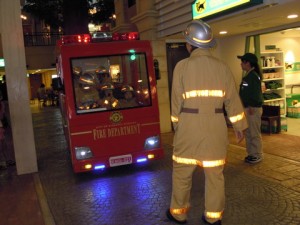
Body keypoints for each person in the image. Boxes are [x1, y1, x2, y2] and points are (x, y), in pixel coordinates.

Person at [167, 20, 248, 225]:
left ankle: (178, 213)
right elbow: (232, 100)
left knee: (182, 174)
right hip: (215, 127)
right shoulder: (222, 67)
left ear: (189, 44)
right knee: (215, 176)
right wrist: (239, 127)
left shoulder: (181, 67)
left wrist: (178, 125)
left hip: (188, 127)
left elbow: (176, 102)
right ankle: (213, 218)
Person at [237, 53, 264, 164]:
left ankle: (257, 154)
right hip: (248, 108)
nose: (241, 64)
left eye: (242, 61)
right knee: (248, 132)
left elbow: (256, 94)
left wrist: (252, 105)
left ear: (247, 63)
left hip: (252, 109)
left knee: (254, 133)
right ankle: (251, 153)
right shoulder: (248, 75)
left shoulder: (253, 76)